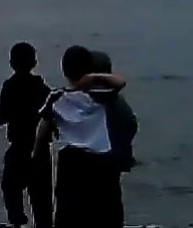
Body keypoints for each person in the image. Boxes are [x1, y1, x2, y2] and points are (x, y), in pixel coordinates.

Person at [33, 45, 128, 228]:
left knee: (69, 213)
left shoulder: (56, 97)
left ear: (64, 70)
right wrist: (94, 78)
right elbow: (121, 82)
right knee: (107, 213)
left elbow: (43, 129)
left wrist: (37, 157)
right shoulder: (101, 95)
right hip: (102, 161)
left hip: (71, 162)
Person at [0, 42, 52, 228]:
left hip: (19, 148)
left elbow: (3, 115)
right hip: (41, 150)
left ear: (12, 63)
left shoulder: (10, 86)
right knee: (41, 198)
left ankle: (18, 221)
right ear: (35, 62)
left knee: (10, 188)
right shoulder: (44, 90)